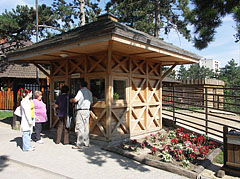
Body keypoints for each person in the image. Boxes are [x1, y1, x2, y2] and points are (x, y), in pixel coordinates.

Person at [70, 80, 92, 149]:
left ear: (80, 86)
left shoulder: (81, 91)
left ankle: (79, 144)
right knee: (86, 127)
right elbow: (91, 102)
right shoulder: (89, 92)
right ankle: (86, 142)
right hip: (87, 110)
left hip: (81, 110)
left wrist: (71, 100)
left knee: (80, 127)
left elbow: (76, 100)